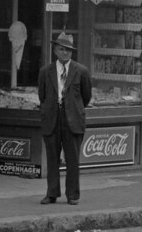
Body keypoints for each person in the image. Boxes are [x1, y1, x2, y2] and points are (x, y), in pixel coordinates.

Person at [37, 32, 92, 205]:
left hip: (73, 120)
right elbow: (42, 95)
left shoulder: (81, 71)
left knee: (72, 159)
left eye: (68, 50)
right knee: (52, 158)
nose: (65, 53)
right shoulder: (46, 71)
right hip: (52, 118)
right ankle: (52, 193)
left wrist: (72, 108)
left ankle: (72, 195)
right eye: (61, 49)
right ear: (55, 51)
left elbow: (86, 96)